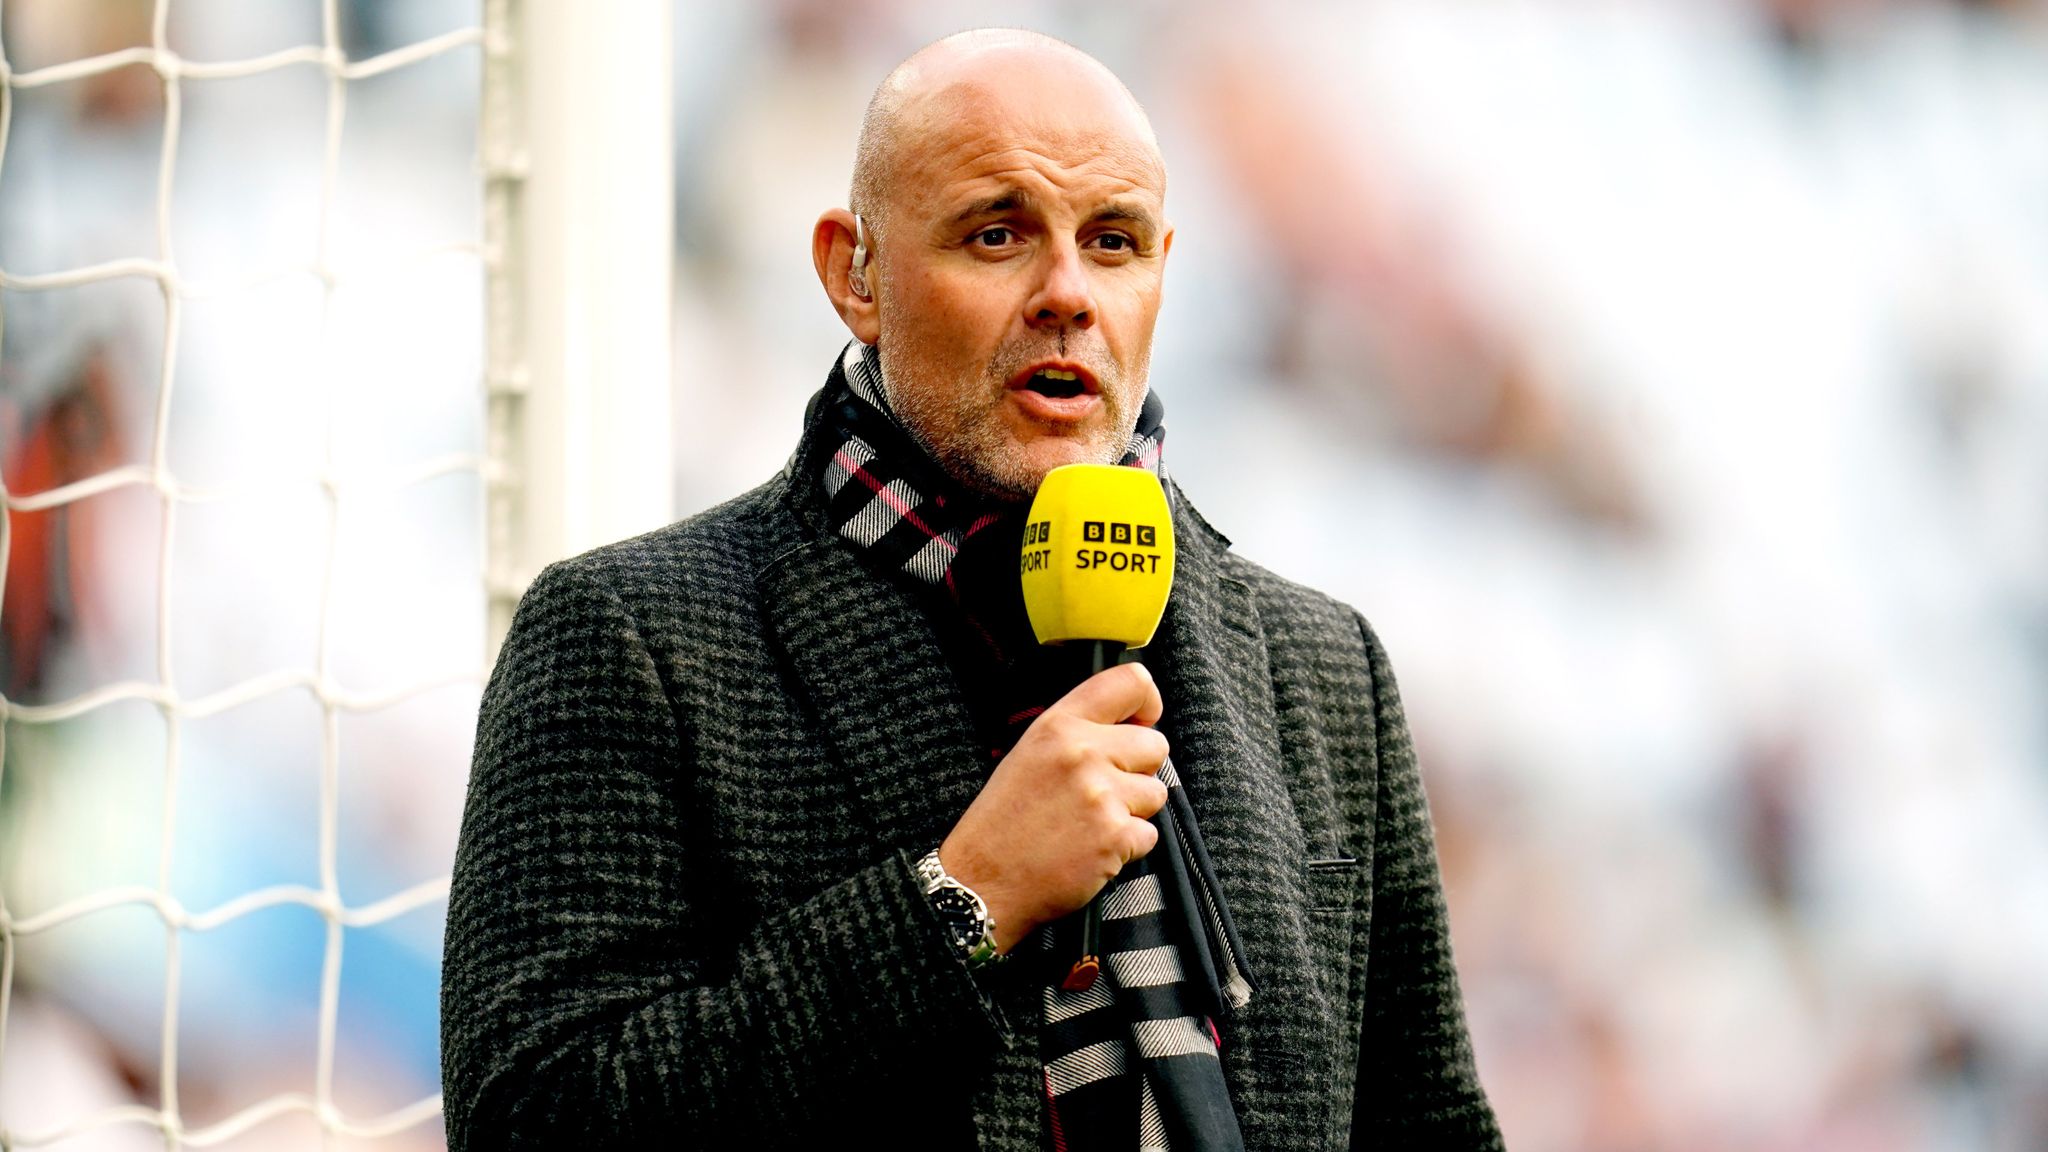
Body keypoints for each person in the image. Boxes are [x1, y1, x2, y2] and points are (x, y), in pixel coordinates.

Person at [441, 28, 1501, 1151]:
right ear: (854, 273)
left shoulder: (1318, 665)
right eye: (996, 235)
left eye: (1114, 244)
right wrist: (961, 899)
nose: (1067, 294)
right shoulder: (627, 637)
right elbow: (532, 1120)